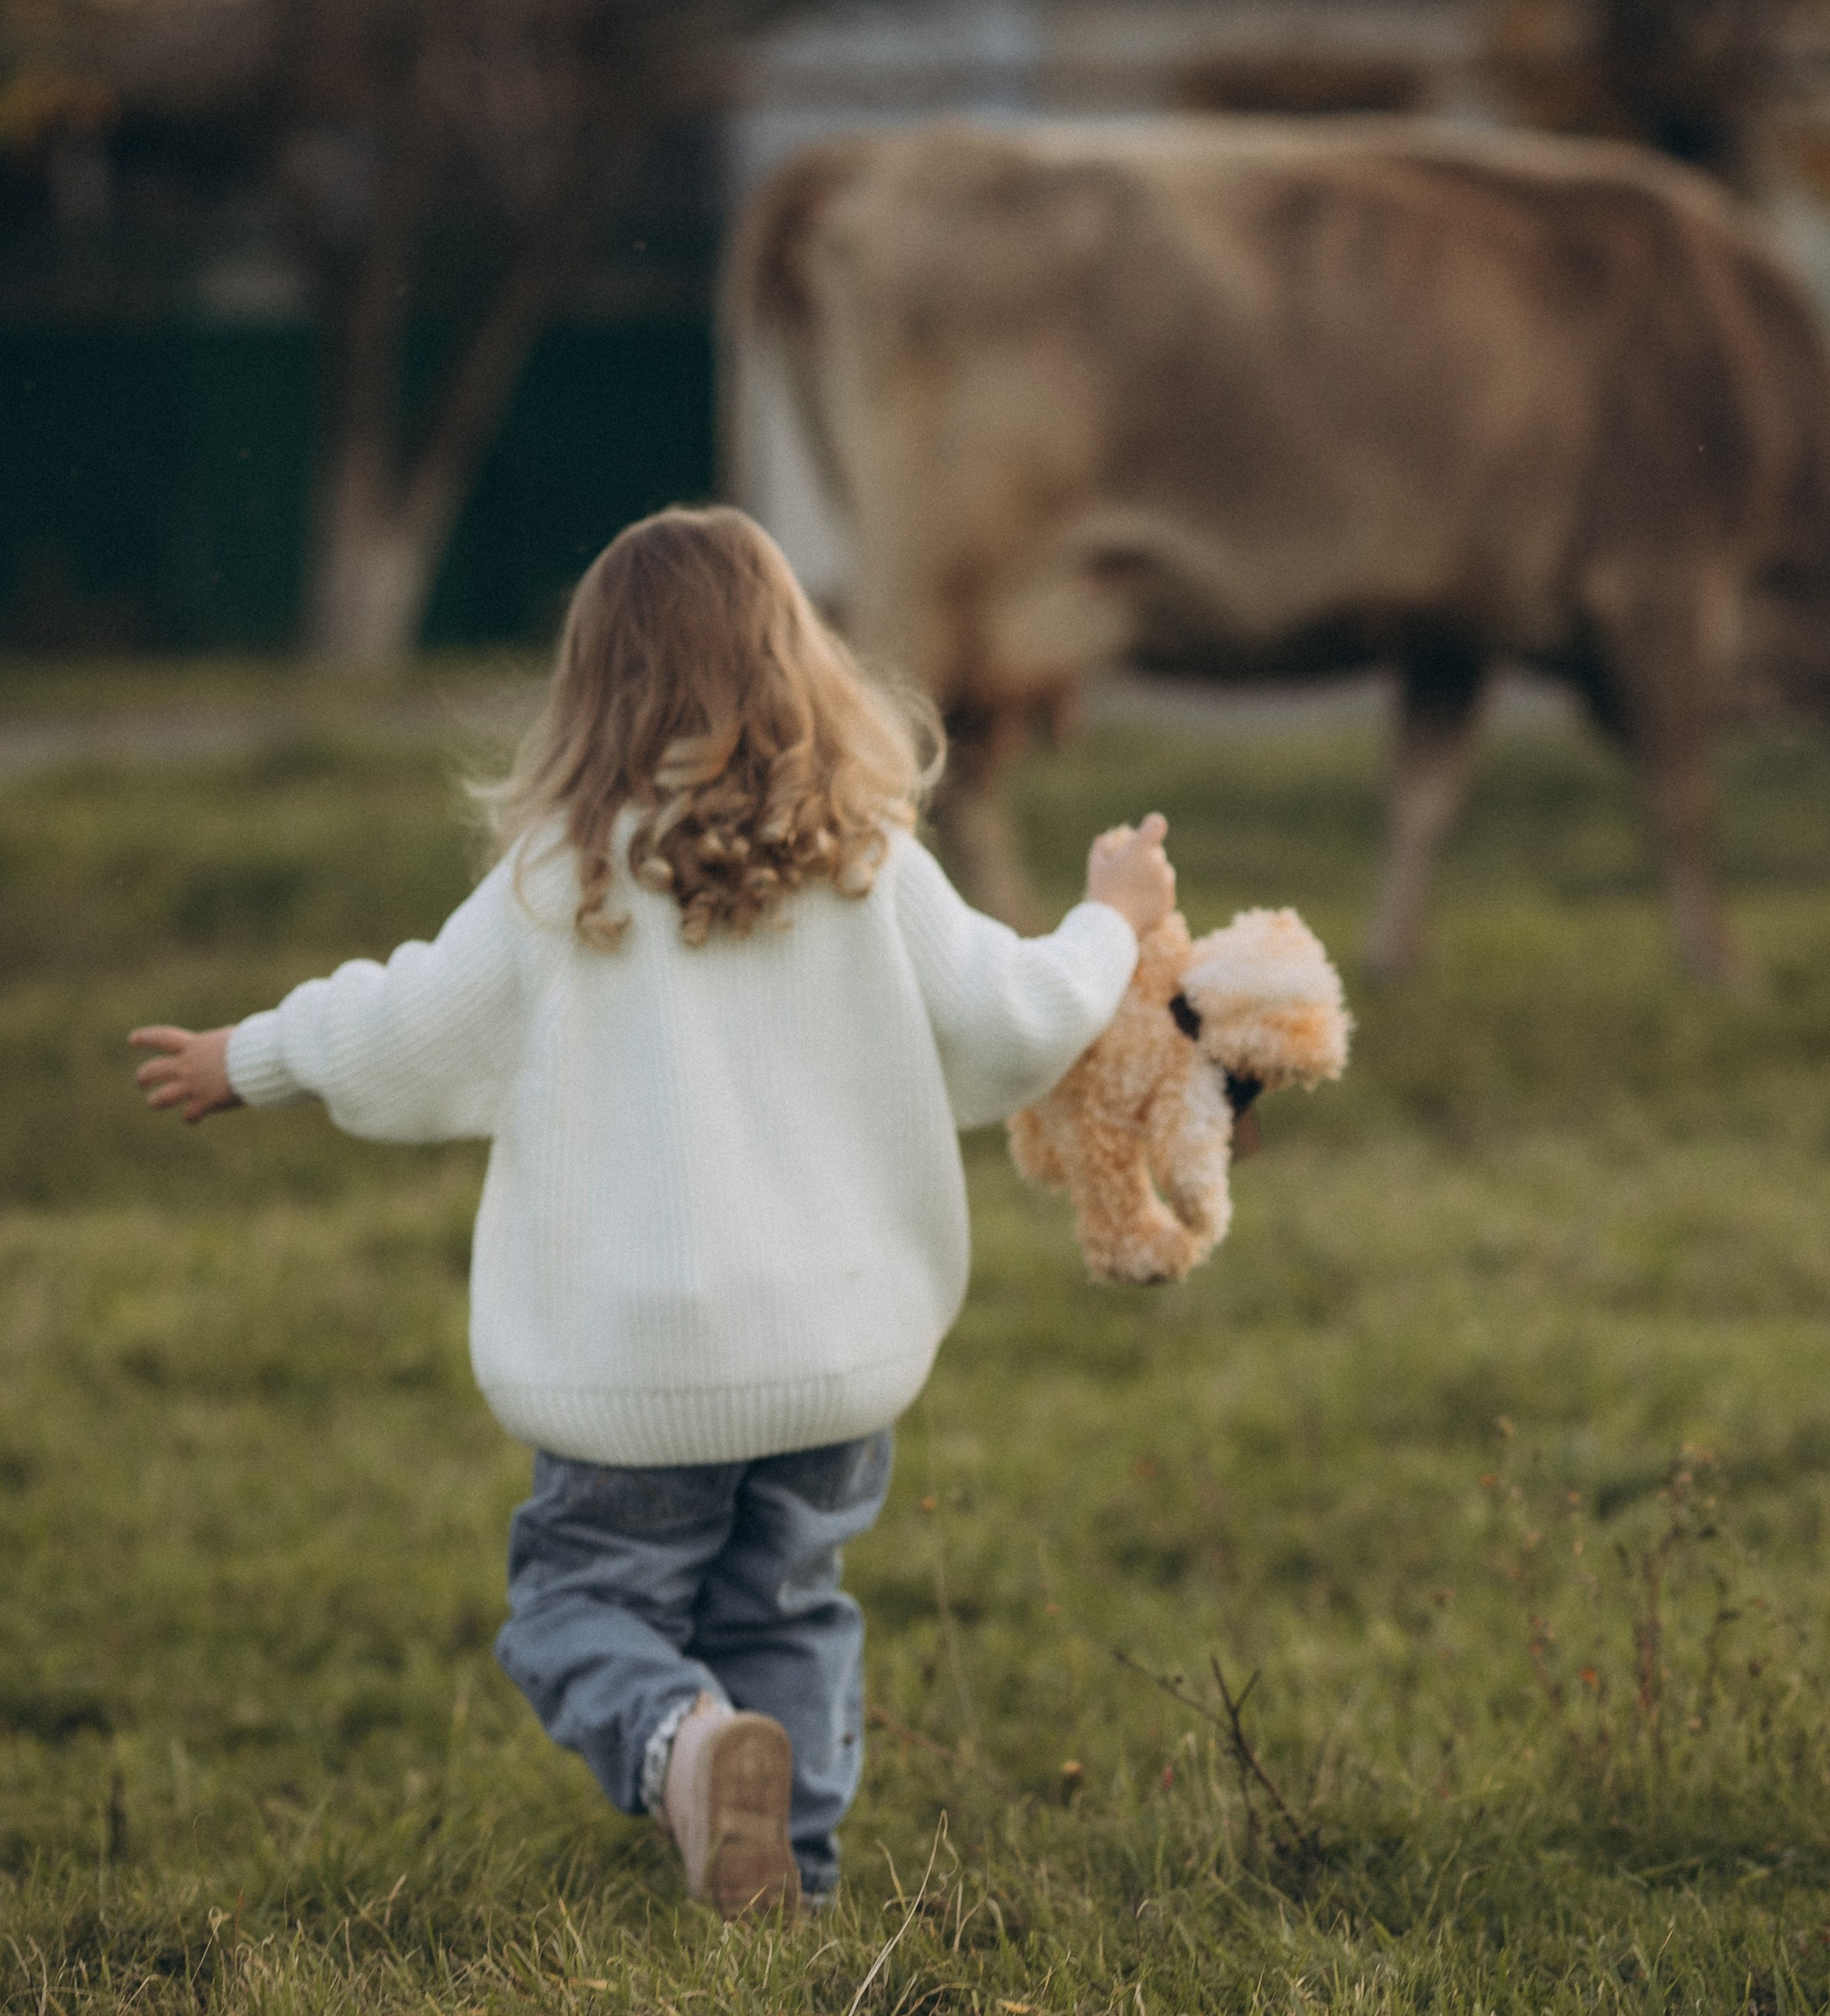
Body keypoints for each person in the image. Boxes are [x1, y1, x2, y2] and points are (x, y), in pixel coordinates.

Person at [131, 504, 1174, 1918]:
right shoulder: (870, 863)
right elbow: (1019, 1012)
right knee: (786, 1610)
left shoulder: (562, 883)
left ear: (592, 693)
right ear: (805, 669)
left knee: (577, 1611)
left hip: (634, 1376)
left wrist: (247, 1057)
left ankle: (684, 1749)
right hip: (830, 1363)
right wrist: (1112, 916)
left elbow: (401, 1026)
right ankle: (788, 1883)